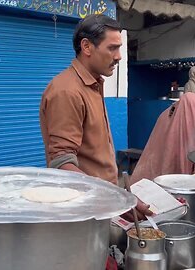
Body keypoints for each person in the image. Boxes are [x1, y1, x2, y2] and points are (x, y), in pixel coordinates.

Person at [39, 14, 152, 221]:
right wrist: (115, 197)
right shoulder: (67, 91)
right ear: (87, 47)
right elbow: (62, 163)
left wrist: (119, 199)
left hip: (101, 206)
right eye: (112, 48)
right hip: (83, 214)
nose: (118, 56)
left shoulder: (92, 85)